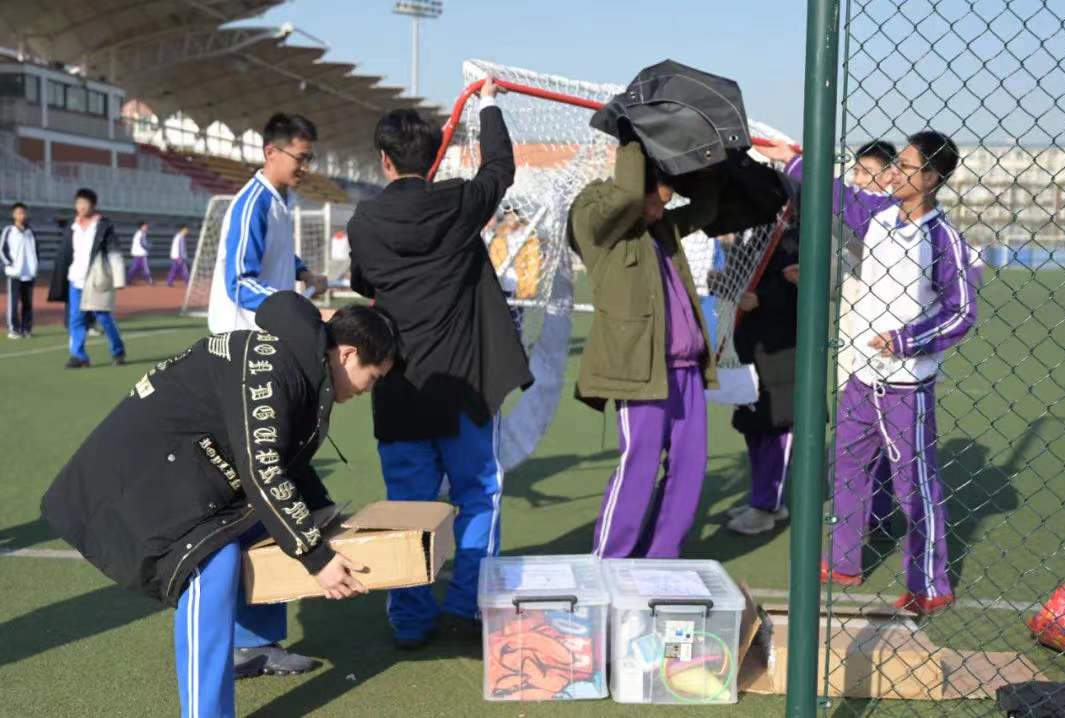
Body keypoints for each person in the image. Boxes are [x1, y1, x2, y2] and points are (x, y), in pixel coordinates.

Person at [41, 292, 397, 718]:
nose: (368, 390)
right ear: (348, 354)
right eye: (373, 377)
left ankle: (249, 645)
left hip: (187, 468)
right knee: (211, 564)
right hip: (142, 475)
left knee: (274, 524)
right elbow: (263, 470)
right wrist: (317, 557)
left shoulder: (302, 364)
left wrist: (320, 513)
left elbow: (287, 458)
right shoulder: (276, 367)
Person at [347, 77, 532, 649]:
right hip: (464, 386)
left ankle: (410, 619)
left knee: (407, 507)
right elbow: (499, 168)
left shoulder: (364, 222)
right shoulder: (457, 202)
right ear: (435, 158)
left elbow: (365, 284)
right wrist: (489, 104)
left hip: (399, 387)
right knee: (477, 495)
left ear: (384, 160)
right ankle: (469, 606)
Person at [760, 130, 977, 614]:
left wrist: (905, 340)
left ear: (932, 178)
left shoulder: (943, 240)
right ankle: (843, 562)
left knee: (914, 485)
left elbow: (962, 313)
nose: (894, 173)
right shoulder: (879, 216)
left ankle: (930, 585)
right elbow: (836, 194)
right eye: (896, 164)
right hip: (862, 377)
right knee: (847, 466)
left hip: (906, 386)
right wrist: (793, 161)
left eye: (906, 166)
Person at [569, 126, 720, 560]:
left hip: (686, 368)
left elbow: (706, 208)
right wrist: (634, 134)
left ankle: (662, 557)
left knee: (690, 464)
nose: (659, 212)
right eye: (656, 203)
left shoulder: (661, 229)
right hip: (641, 369)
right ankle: (611, 559)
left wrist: (704, 161)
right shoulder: (596, 219)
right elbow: (627, 198)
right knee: (640, 460)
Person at [208, 114, 328, 333]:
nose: (305, 168)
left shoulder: (281, 200)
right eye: (300, 158)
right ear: (270, 152)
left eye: (309, 159)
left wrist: (305, 275)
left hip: (269, 331)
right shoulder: (253, 205)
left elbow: (278, 251)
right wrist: (291, 306)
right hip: (243, 337)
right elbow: (239, 283)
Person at [726, 223, 800, 535]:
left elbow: (800, 285)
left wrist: (762, 298)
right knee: (753, 425)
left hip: (782, 349)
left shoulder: (797, 232)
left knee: (776, 426)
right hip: (751, 345)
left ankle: (767, 505)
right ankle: (762, 497)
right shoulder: (753, 229)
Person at [847, 141, 900, 537]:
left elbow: (856, 208)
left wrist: (799, 166)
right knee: (859, 438)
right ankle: (866, 517)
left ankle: (877, 512)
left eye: (866, 172)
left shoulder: (890, 212)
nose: (857, 180)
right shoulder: (861, 209)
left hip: (889, 344)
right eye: (856, 172)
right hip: (856, 335)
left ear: (889, 175)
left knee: (884, 437)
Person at [47, 188, 127, 368]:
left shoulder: (103, 226)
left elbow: (114, 251)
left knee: (104, 318)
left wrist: (119, 278)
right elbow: (65, 254)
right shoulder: (72, 227)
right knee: (76, 319)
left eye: (85, 203)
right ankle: (79, 356)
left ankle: (118, 351)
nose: (81, 206)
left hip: (97, 280)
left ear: (93, 205)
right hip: (75, 280)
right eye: (78, 203)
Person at [2, 201, 38, 339]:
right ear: (13, 215)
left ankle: (26, 329)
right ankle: (14, 330)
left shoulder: (30, 232)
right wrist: (10, 263)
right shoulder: (9, 231)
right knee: (13, 303)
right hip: (15, 274)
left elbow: (36, 250)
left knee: (28, 303)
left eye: (23, 212)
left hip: (29, 274)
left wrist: (35, 265)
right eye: (18, 213)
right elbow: (2, 250)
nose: (21, 215)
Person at [128, 220, 153, 285]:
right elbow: (143, 243)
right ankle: (149, 280)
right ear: (141, 227)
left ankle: (129, 280)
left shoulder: (139, 233)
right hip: (141, 254)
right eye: (145, 226)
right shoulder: (141, 233)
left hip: (137, 253)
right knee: (142, 268)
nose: (146, 228)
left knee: (136, 268)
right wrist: (148, 246)